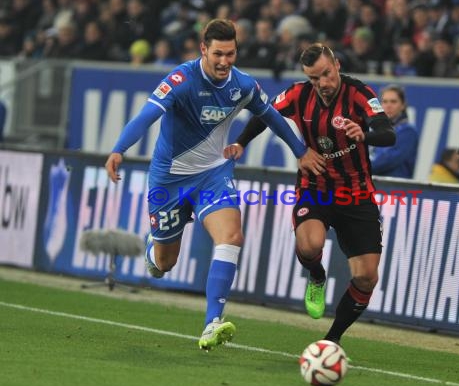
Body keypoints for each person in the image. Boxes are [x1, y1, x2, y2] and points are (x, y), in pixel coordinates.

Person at [104, 19, 325, 351]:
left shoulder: (243, 84)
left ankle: (212, 322)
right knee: (164, 264)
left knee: (232, 236)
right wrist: (119, 148)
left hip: (213, 175)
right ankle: (154, 249)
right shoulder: (180, 79)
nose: (225, 61)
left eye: (231, 53)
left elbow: (272, 117)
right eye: (218, 54)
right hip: (170, 180)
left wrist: (300, 151)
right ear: (203, 49)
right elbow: (146, 116)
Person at [224, 43, 395, 345]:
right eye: (315, 79)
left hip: (356, 194)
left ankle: (331, 341)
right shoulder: (298, 94)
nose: (323, 84)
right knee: (309, 245)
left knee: (367, 276)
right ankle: (317, 275)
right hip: (315, 188)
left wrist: (364, 134)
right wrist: (241, 142)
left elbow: (387, 132)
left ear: (337, 65)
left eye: (326, 75)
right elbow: (264, 115)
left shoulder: (359, 94)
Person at [369, 85, 419, 178]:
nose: (388, 106)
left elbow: (385, 161)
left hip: (395, 190)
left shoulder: (408, 131)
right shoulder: (377, 130)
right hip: (375, 187)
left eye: (393, 102)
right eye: (385, 102)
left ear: (403, 105)